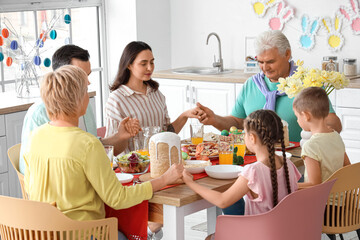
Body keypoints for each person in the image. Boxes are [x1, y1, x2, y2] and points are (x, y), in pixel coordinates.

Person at [23, 65, 184, 239]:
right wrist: (164, 179)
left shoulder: (35, 137)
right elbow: (118, 198)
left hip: (44, 234)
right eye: (85, 91)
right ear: (76, 99)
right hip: (82, 234)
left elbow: (32, 189)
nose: (88, 96)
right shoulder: (87, 144)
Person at [196, 30, 341, 143]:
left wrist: (316, 127)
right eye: (260, 62)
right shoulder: (251, 85)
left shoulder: (307, 83)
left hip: (301, 161)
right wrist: (214, 119)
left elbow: (335, 124)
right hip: (260, 161)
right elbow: (238, 123)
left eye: (270, 61)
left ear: (287, 54)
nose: (265, 68)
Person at [182, 109, 301, 240]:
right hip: (282, 233)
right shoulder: (288, 163)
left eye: (244, 134)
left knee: (210, 238)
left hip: (255, 235)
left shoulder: (253, 171)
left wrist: (190, 183)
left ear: (252, 138)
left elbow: (222, 201)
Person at [19, 44, 137, 174]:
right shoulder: (38, 113)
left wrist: (120, 136)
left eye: (88, 75)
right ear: (61, 75)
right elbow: (29, 168)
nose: (87, 82)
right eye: (80, 75)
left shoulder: (84, 104)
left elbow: (92, 146)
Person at [105, 41, 205, 153]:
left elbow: (166, 133)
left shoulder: (156, 93)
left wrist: (185, 115)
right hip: (134, 167)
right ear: (129, 65)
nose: (149, 68)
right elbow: (110, 148)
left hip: (159, 161)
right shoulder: (116, 99)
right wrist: (124, 134)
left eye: (152, 63)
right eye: (143, 64)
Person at [293, 87, 351, 189]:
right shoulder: (336, 136)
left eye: (297, 117)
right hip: (341, 200)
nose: (297, 121)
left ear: (306, 115)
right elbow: (348, 168)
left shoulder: (310, 146)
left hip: (322, 203)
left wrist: (290, 187)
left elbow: (315, 185)